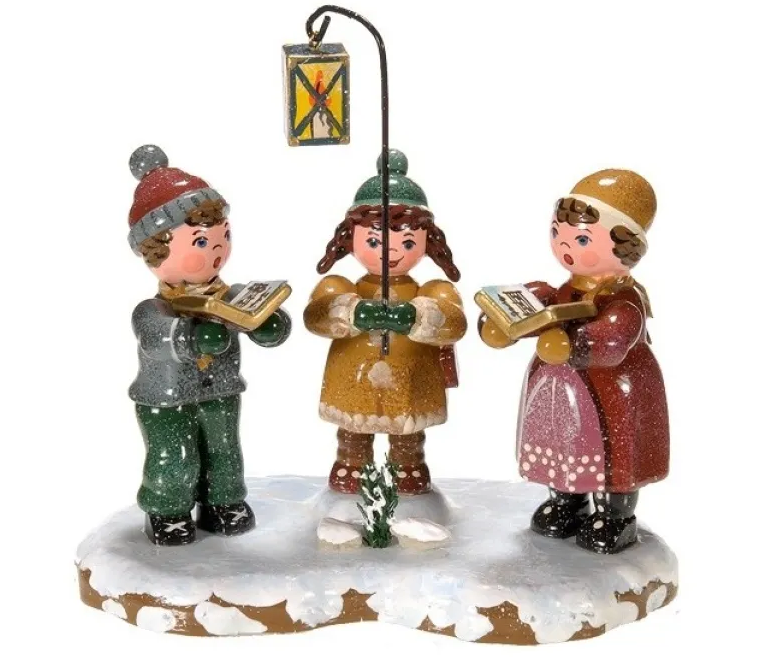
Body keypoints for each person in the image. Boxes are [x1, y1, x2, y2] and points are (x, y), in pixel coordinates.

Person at [479, 169, 669, 553]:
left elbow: (615, 334)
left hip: (611, 391)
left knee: (611, 456)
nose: (565, 246)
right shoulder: (562, 291)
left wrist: (576, 343)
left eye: (582, 239)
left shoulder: (623, 299)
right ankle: (567, 502)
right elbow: (539, 313)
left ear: (626, 246)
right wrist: (505, 323)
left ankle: (615, 516)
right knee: (563, 447)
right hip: (560, 394)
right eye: (558, 234)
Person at [127, 145, 290, 546]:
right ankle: (168, 510)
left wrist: (268, 324)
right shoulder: (153, 309)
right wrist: (193, 336)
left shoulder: (227, 296)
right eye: (201, 242)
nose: (218, 249)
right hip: (166, 399)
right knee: (175, 455)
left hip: (221, 390)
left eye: (224, 236)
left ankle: (223, 502)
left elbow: (258, 319)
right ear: (155, 250)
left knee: (224, 450)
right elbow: (156, 336)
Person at [304, 149, 466, 495]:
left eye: (407, 242)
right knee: (353, 429)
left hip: (410, 377)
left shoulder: (433, 290)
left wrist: (416, 315)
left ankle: (408, 465)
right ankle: (351, 463)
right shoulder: (340, 287)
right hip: (354, 377)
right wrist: (351, 312)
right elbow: (316, 315)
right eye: (374, 241)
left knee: (407, 432)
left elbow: (454, 321)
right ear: (350, 240)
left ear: (427, 244)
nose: (390, 251)